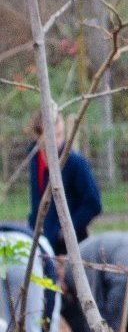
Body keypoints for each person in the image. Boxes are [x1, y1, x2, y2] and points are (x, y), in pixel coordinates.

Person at [26, 108, 103, 258]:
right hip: (42, 244)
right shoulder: (34, 159)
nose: (57, 142)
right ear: (37, 136)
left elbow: (94, 204)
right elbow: (37, 202)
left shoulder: (75, 163)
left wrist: (64, 231)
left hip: (70, 248)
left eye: (60, 135)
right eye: (51, 136)